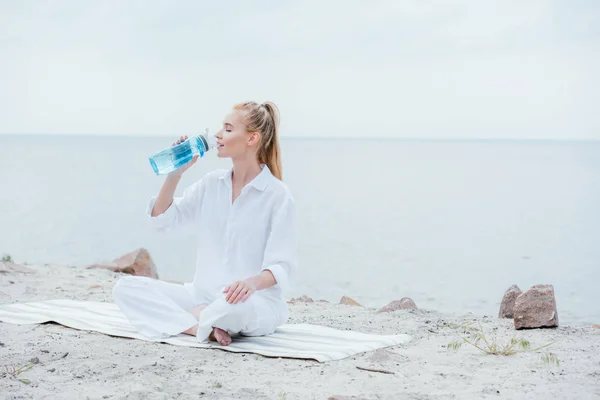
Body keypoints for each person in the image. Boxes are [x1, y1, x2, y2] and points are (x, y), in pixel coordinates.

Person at [113, 101, 297, 346]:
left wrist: (250, 283)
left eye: (228, 129)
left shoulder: (277, 195)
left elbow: (282, 266)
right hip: (200, 295)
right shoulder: (210, 185)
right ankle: (199, 326)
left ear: (252, 139)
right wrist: (175, 174)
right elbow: (162, 221)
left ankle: (201, 319)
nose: (219, 135)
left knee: (234, 309)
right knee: (125, 288)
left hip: (252, 301)